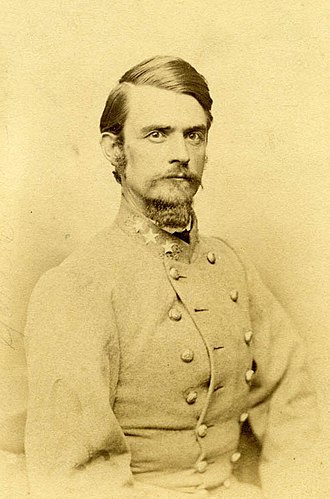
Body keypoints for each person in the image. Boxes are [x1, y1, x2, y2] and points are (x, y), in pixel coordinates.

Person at [24, 56, 320, 498]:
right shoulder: (77, 286)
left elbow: (292, 401)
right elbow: (78, 476)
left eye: (193, 135)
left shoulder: (232, 264)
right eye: (157, 134)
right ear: (114, 148)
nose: (181, 154)